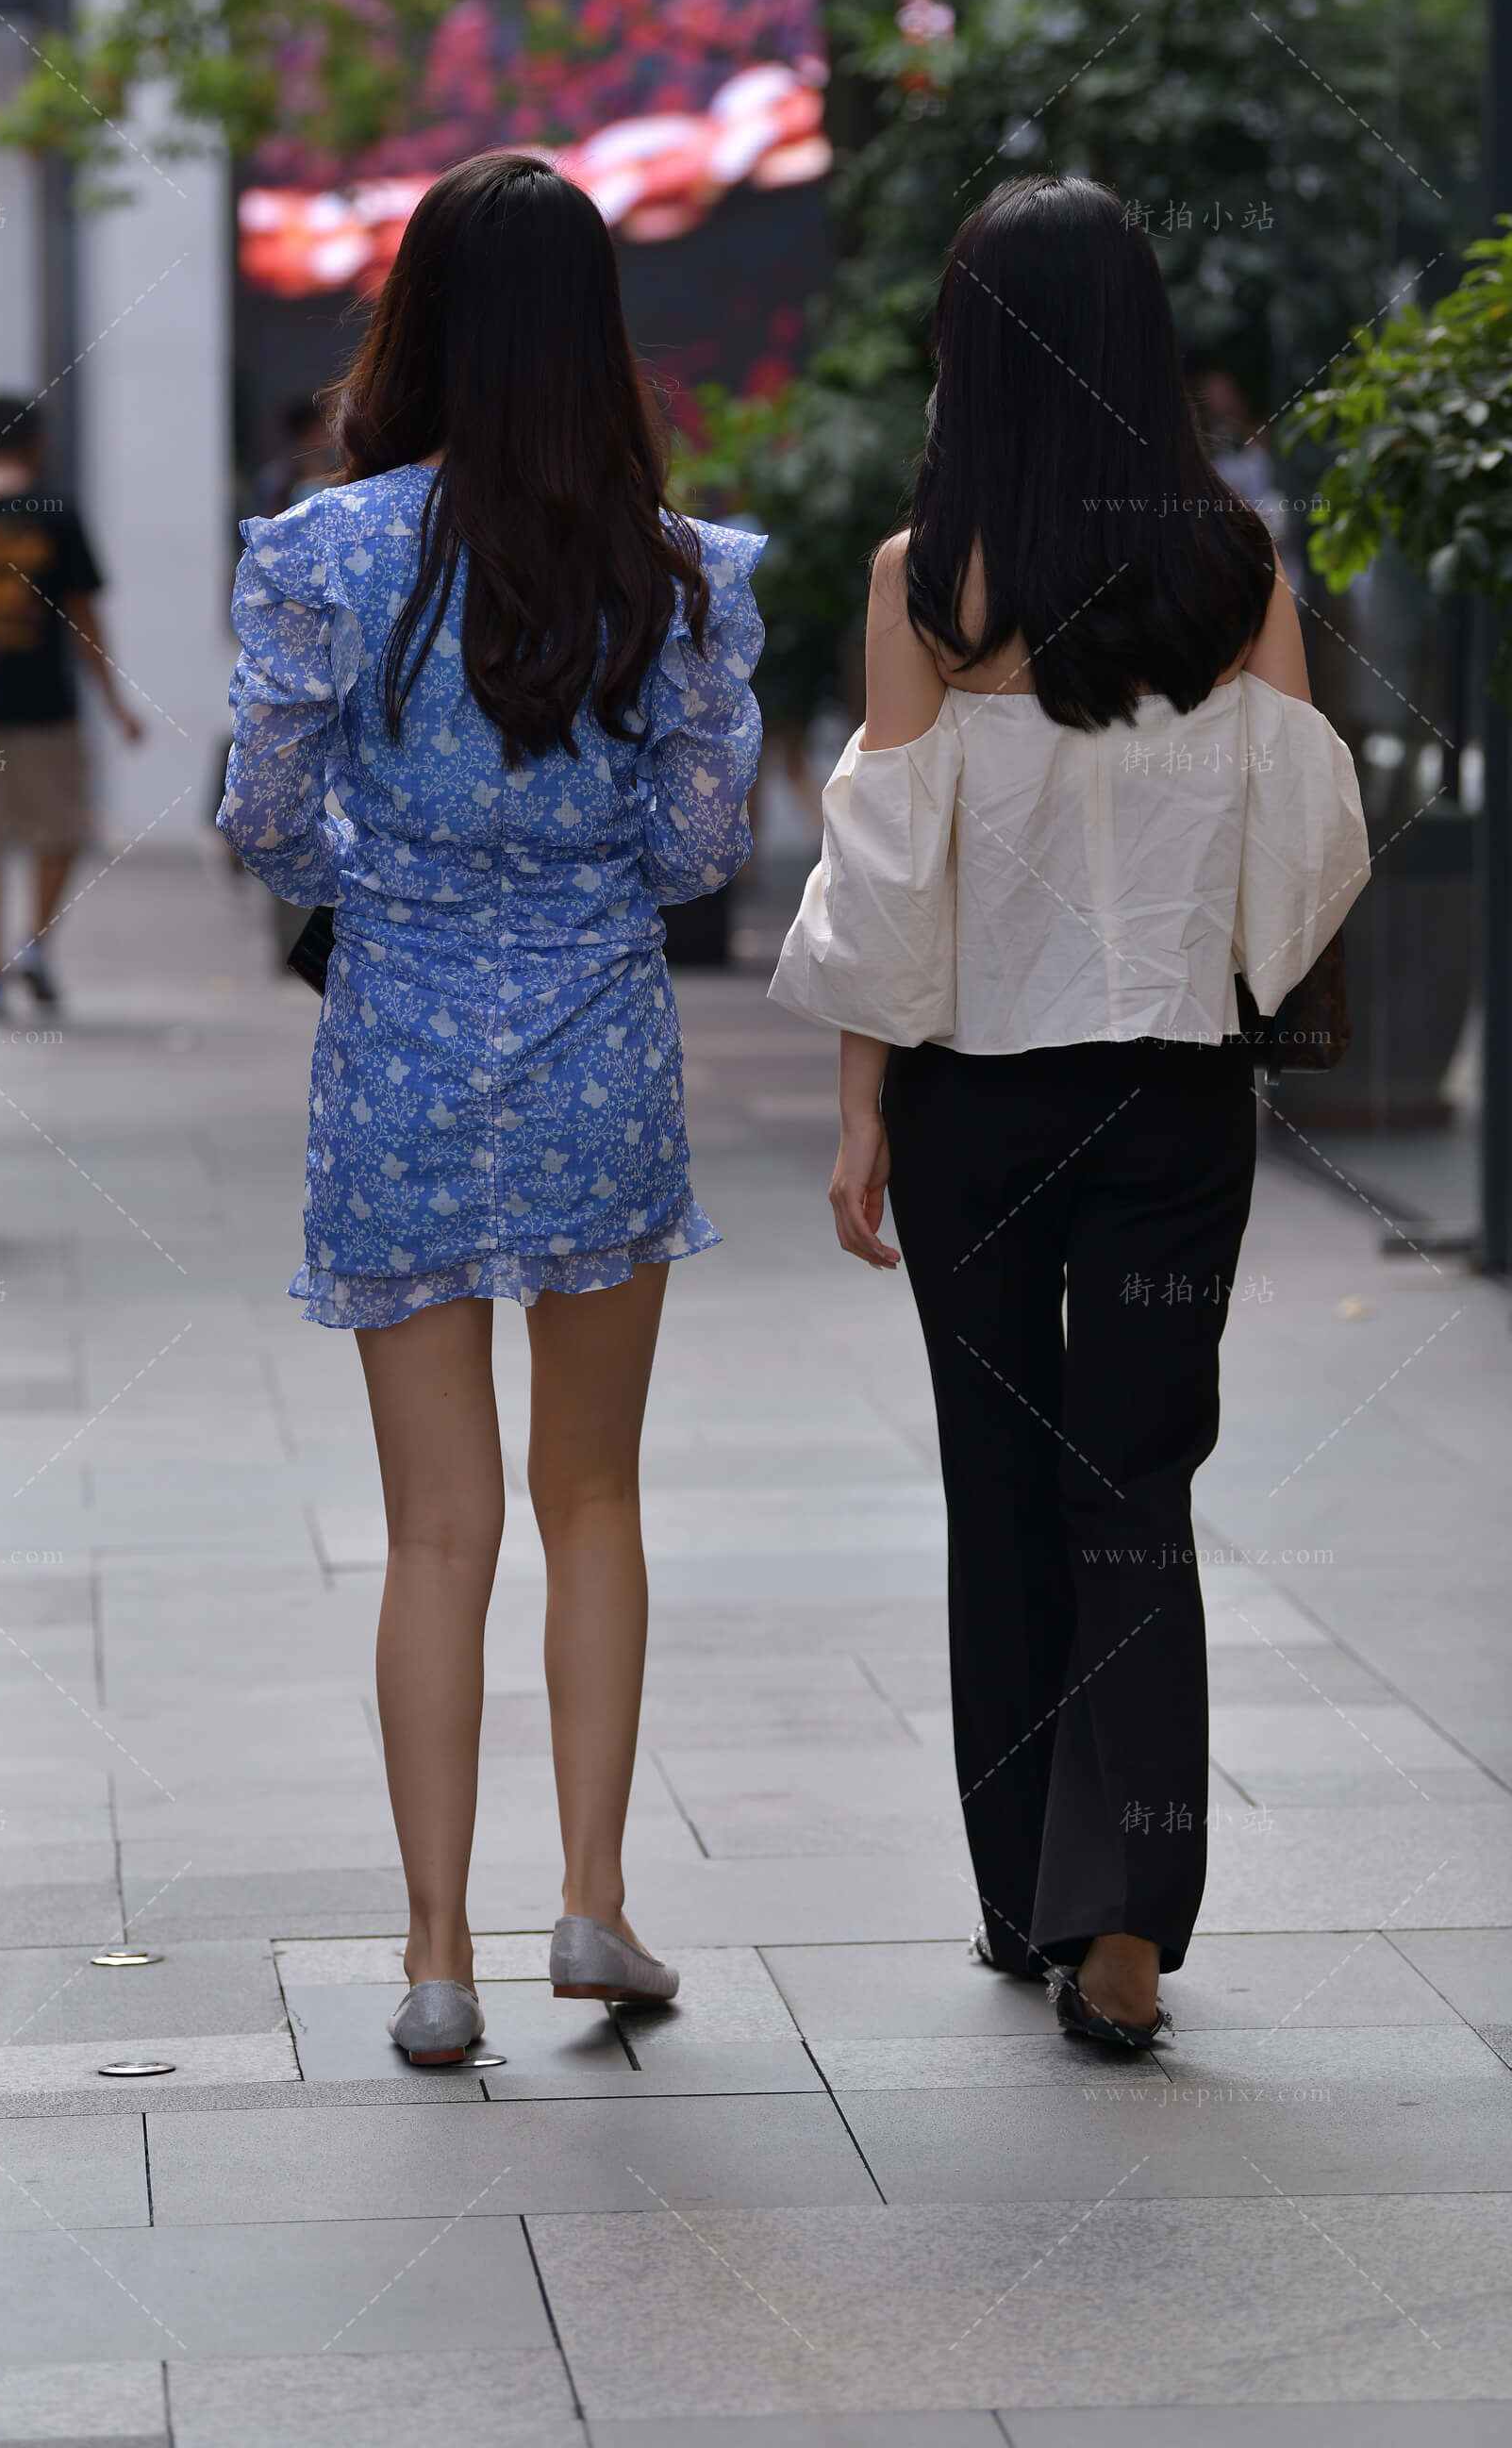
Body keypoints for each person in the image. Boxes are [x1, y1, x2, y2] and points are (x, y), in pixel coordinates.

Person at [771, 175, 1369, 2050]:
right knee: (1135, 1485)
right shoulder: (1234, 572)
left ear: (972, 350)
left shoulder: (925, 583)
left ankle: (1023, 1880)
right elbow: (1307, 849)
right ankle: (1118, 1920)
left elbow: (886, 885)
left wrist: (861, 1111)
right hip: (1173, 1097)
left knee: (1001, 1477)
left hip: (973, 1102)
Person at [219, 152, 764, 2064]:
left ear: (420, 322)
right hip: (603, 1046)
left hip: (397, 1050)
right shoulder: (674, 572)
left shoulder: (329, 553)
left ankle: (436, 1957)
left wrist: (386, 878)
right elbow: (700, 847)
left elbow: (264, 816)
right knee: (592, 1495)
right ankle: (592, 1903)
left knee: (433, 1531)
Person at [0, 398, 145, 1009]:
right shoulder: (57, 512)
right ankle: (34, 946)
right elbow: (83, 618)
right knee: (60, 831)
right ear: (36, 443)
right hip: (47, 704)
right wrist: (116, 703)